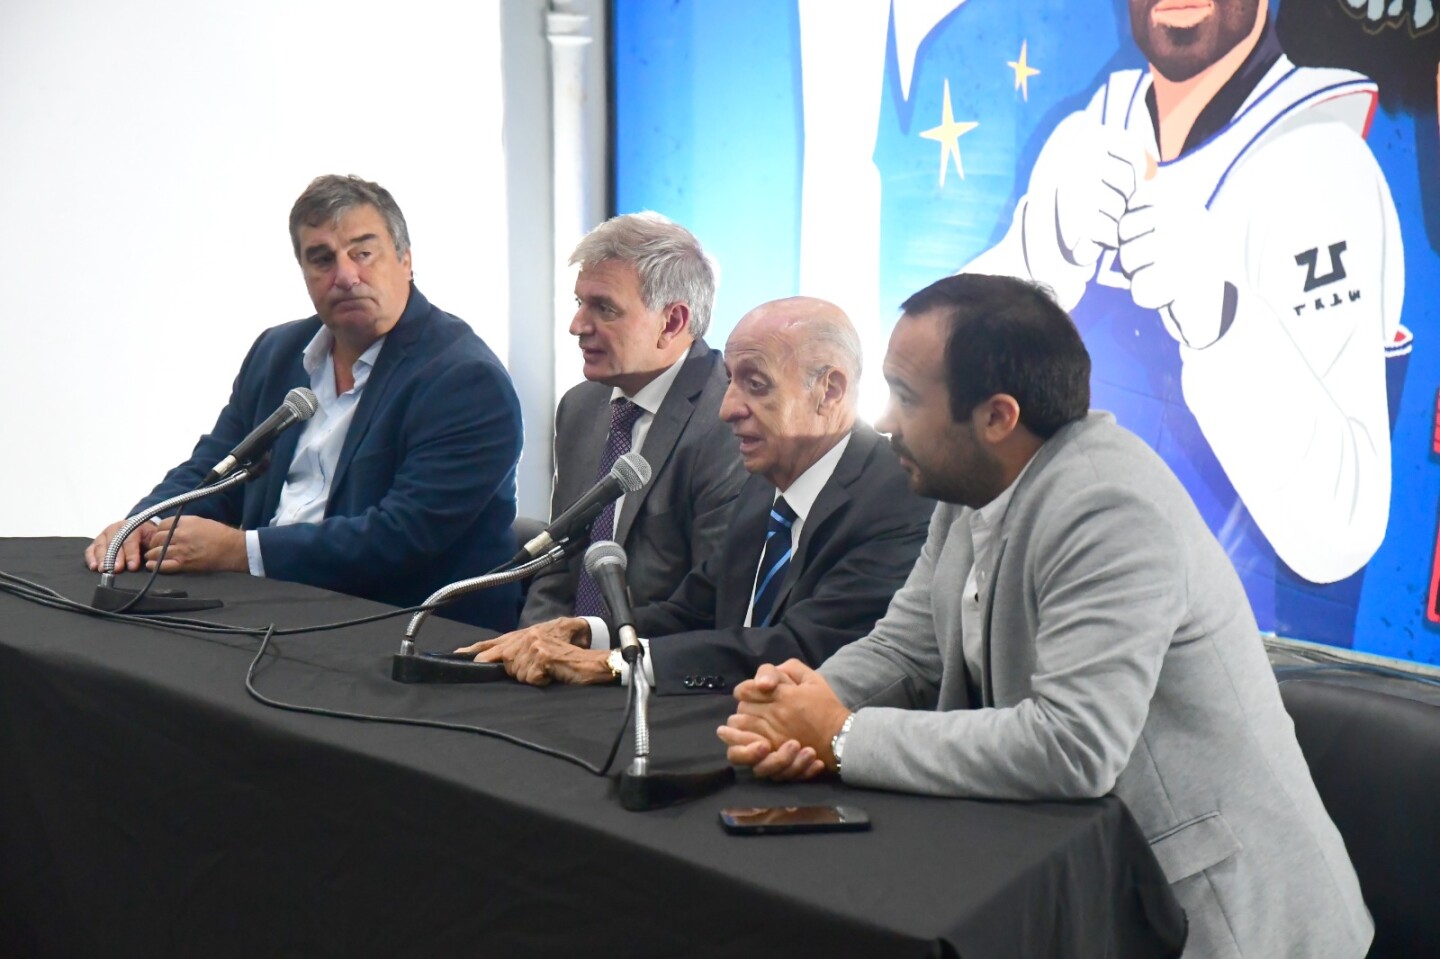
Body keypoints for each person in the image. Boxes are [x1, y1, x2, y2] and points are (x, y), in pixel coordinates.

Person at [719, 274, 1373, 959]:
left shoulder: (1109, 506)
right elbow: (906, 649)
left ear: (998, 416)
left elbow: (1074, 745)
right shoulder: (970, 481)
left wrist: (842, 736)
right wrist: (803, 700)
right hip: (1082, 883)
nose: (883, 420)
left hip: (1218, 920)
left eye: (907, 397)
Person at [962, 0, 1406, 646]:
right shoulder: (1091, 134)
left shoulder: (1318, 165)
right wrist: (1032, 258)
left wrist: (1223, 320)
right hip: (1041, 628)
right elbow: (923, 404)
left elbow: (1341, 529)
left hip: (1214, 672)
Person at [84, 175, 523, 629]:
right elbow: (215, 466)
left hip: (404, 631)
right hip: (270, 608)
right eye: (322, 259)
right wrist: (144, 523)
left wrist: (240, 551)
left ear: (406, 260)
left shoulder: (465, 380)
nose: (346, 276)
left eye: (363, 253)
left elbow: (401, 537)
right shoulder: (277, 352)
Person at [462, 297, 932, 692]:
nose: (728, 409)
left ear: (829, 390)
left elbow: (803, 646)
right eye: (730, 382)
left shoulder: (898, 498)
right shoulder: (765, 485)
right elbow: (693, 610)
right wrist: (588, 634)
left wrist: (614, 665)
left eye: (756, 385)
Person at [516, 212, 746, 626]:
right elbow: (555, 569)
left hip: (650, 667)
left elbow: (711, 605)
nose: (576, 326)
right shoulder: (580, 407)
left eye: (604, 308)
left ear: (672, 322)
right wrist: (535, 642)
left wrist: (589, 647)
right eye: (579, 303)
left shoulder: (728, 421)